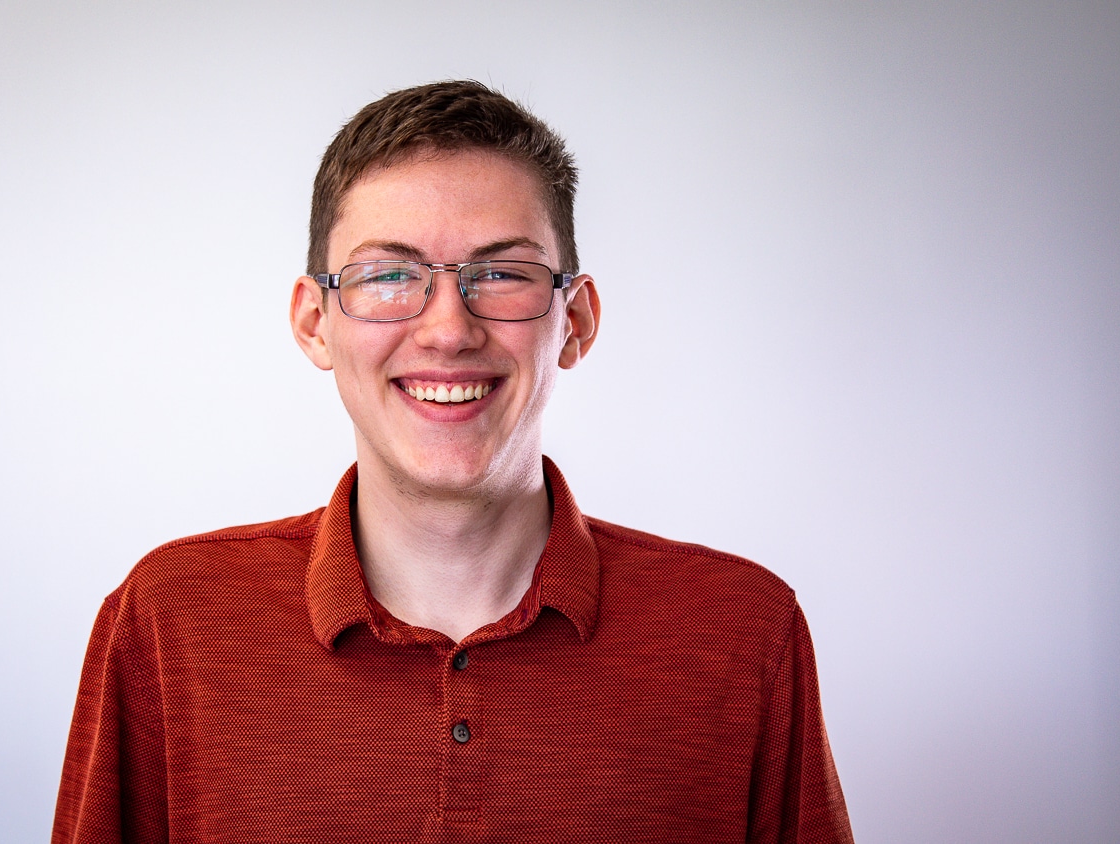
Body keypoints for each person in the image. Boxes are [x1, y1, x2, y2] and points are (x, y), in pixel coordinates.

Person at [52, 80, 852, 844]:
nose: (447, 329)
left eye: (499, 273)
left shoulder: (743, 635)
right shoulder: (169, 623)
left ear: (575, 320)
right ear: (313, 322)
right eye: (389, 274)